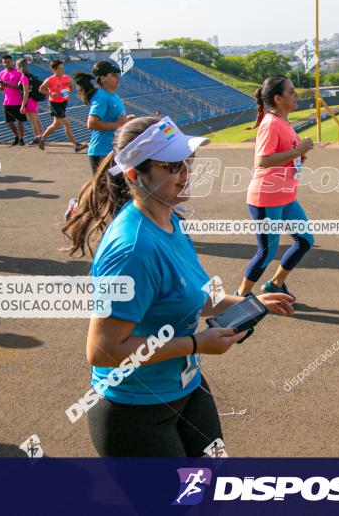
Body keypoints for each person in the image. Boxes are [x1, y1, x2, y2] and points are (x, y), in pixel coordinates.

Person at [62, 117, 295, 457]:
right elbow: (103, 350)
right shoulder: (133, 249)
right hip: (135, 408)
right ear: (134, 175)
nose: (185, 171)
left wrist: (248, 303)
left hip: (185, 387)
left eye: (188, 161)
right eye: (172, 165)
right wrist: (195, 343)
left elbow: (191, 294)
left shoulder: (170, 219)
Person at [235, 76, 315, 300]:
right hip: (267, 196)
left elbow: (284, 156)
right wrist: (297, 152)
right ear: (278, 99)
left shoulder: (284, 123)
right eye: (291, 92)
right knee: (267, 252)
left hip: (286, 196)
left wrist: (298, 156)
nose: (295, 94)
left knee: (305, 240)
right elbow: (262, 160)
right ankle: (240, 296)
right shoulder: (270, 124)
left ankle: (275, 284)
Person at [74, 61, 134, 173]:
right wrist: (118, 124)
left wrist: (126, 121)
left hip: (113, 151)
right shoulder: (101, 97)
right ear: (102, 78)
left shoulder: (113, 96)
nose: (118, 78)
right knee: (106, 190)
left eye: (118, 75)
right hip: (102, 152)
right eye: (114, 75)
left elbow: (115, 120)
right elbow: (91, 123)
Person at [38, 59, 85, 152]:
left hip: (63, 103)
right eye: (60, 69)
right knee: (67, 123)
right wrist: (50, 93)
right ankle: (76, 145)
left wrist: (71, 85)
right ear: (54, 70)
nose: (62, 71)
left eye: (62, 68)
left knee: (55, 125)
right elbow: (41, 89)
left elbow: (70, 90)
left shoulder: (66, 78)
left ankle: (41, 138)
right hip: (54, 104)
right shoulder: (50, 80)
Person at [0, 55, 27, 146]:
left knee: (20, 121)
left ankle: (21, 138)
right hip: (7, 101)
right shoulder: (1, 73)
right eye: (4, 62)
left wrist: (8, 85)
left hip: (18, 100)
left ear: (12, 62)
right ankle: (16, 136)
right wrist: (1, 86)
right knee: (9, 121)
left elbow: (22, 87)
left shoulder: (18, 72)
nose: (6, 64)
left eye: (8, 62)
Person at [16, 58, 46, 148]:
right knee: (36, 120)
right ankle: (41, 137)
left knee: (33, 122)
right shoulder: (30, 75)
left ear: (19, 67)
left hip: (29, 101)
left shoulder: (24, 77)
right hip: (33, 100)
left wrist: (22, 105)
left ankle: (37, 139)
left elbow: (26, 92)